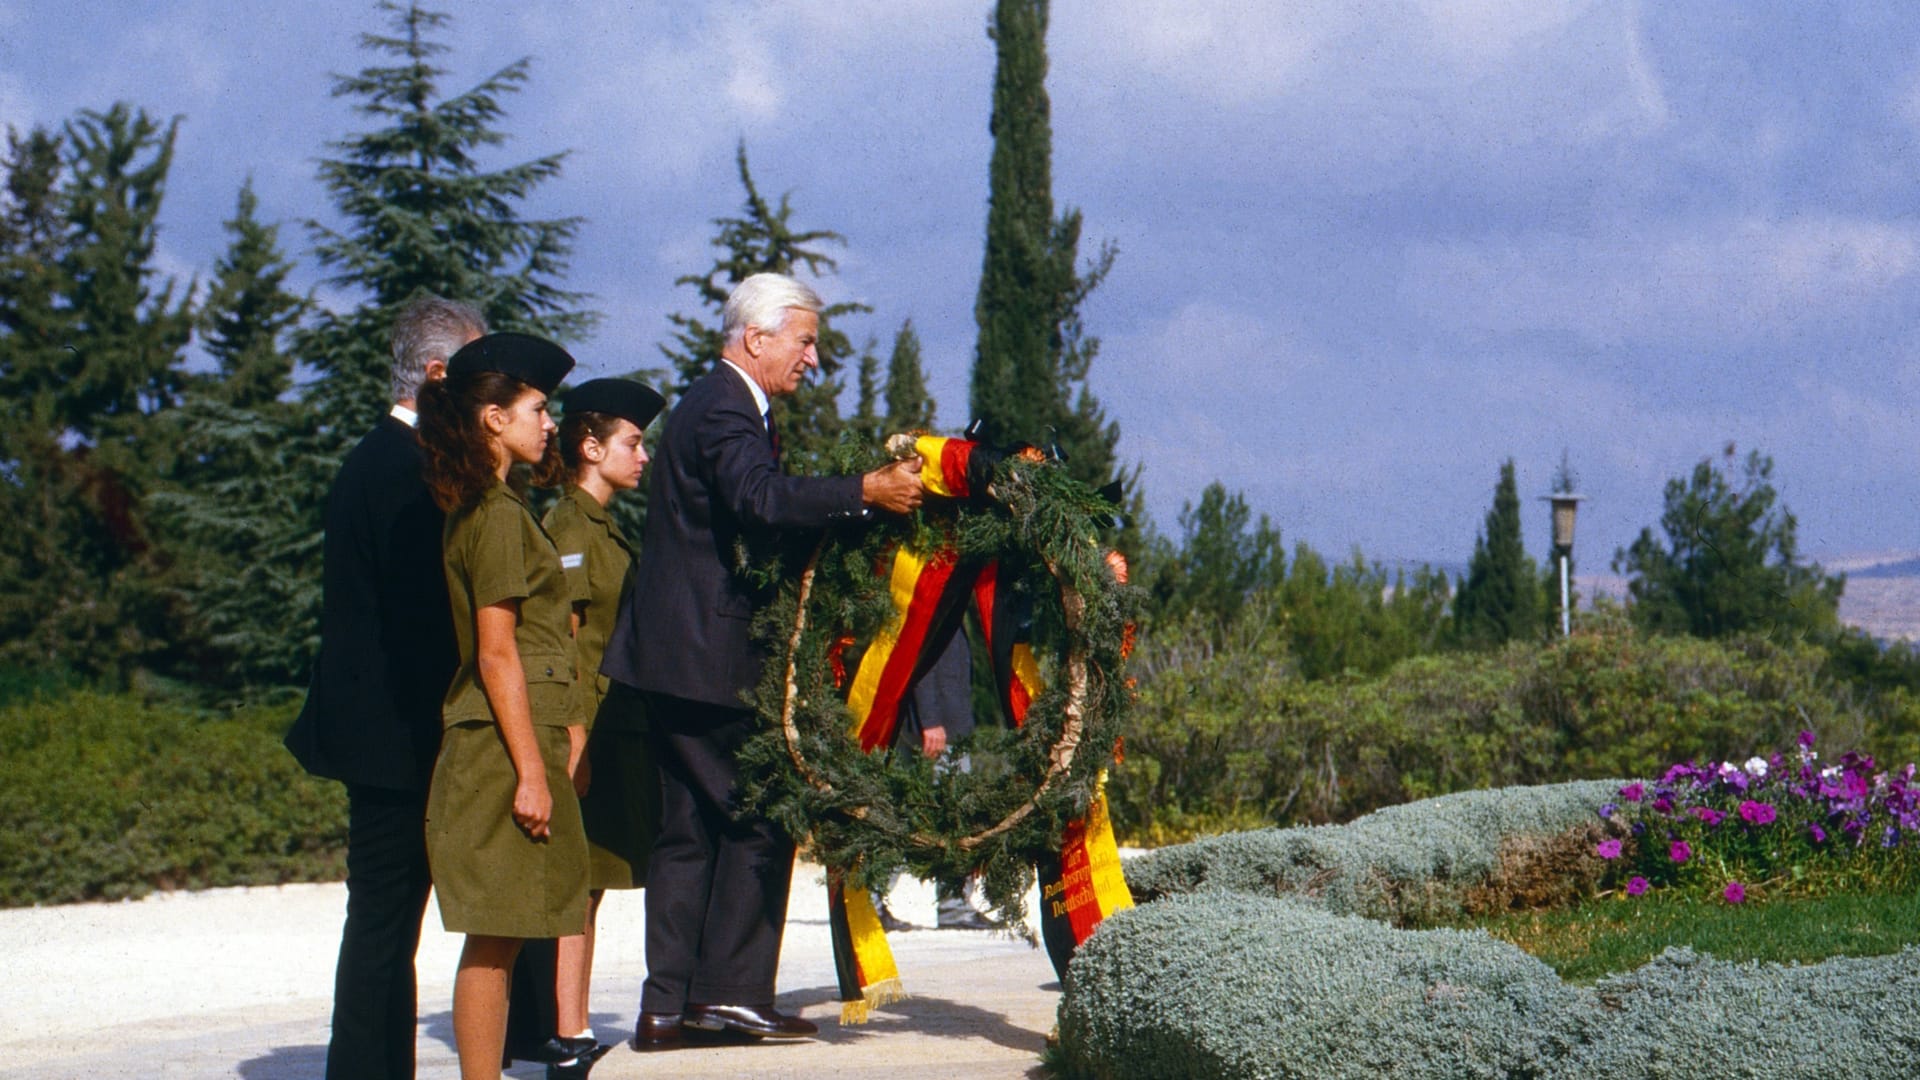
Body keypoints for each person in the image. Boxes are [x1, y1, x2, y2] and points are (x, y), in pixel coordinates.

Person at [601, 272, 925, 1051]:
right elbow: (760, 498)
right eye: (805, 340)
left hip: (674, 660)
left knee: (688, 834)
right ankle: (731, 996)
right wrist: (865, 492)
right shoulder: (722, 405)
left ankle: (668, 1006)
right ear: (757, 337)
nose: (813, 357)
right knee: (763, 813)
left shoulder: (716, 403)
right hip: (707, 658)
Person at [284, 295, 484, 1080]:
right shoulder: (403, 470)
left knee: (384, 927)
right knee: (381, 928)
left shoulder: (387, 459)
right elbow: (418, 623)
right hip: (397, 742)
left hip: (388, 736)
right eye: (473, 378)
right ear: (437, 375)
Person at [416, 331, 591, 1080]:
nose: (549, 424)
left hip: (522, 738)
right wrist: (529, 770)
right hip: (498, 748)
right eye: (537, 408)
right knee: (494, 935)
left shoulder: (504, 508)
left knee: (512, 930)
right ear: (493, 418)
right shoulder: (491, 515)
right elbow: (496, 652)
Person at [504, 378, 665, 1079]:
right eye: (633, 443)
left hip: (610, 727)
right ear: (590, 447)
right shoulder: (569, 527)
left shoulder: (600, 525)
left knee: (590, 882)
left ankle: (566, 1026)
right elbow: (559, 643)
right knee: (577, 883)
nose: (644, 457)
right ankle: (564, 1033)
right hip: (586, 730)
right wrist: (573, 744)